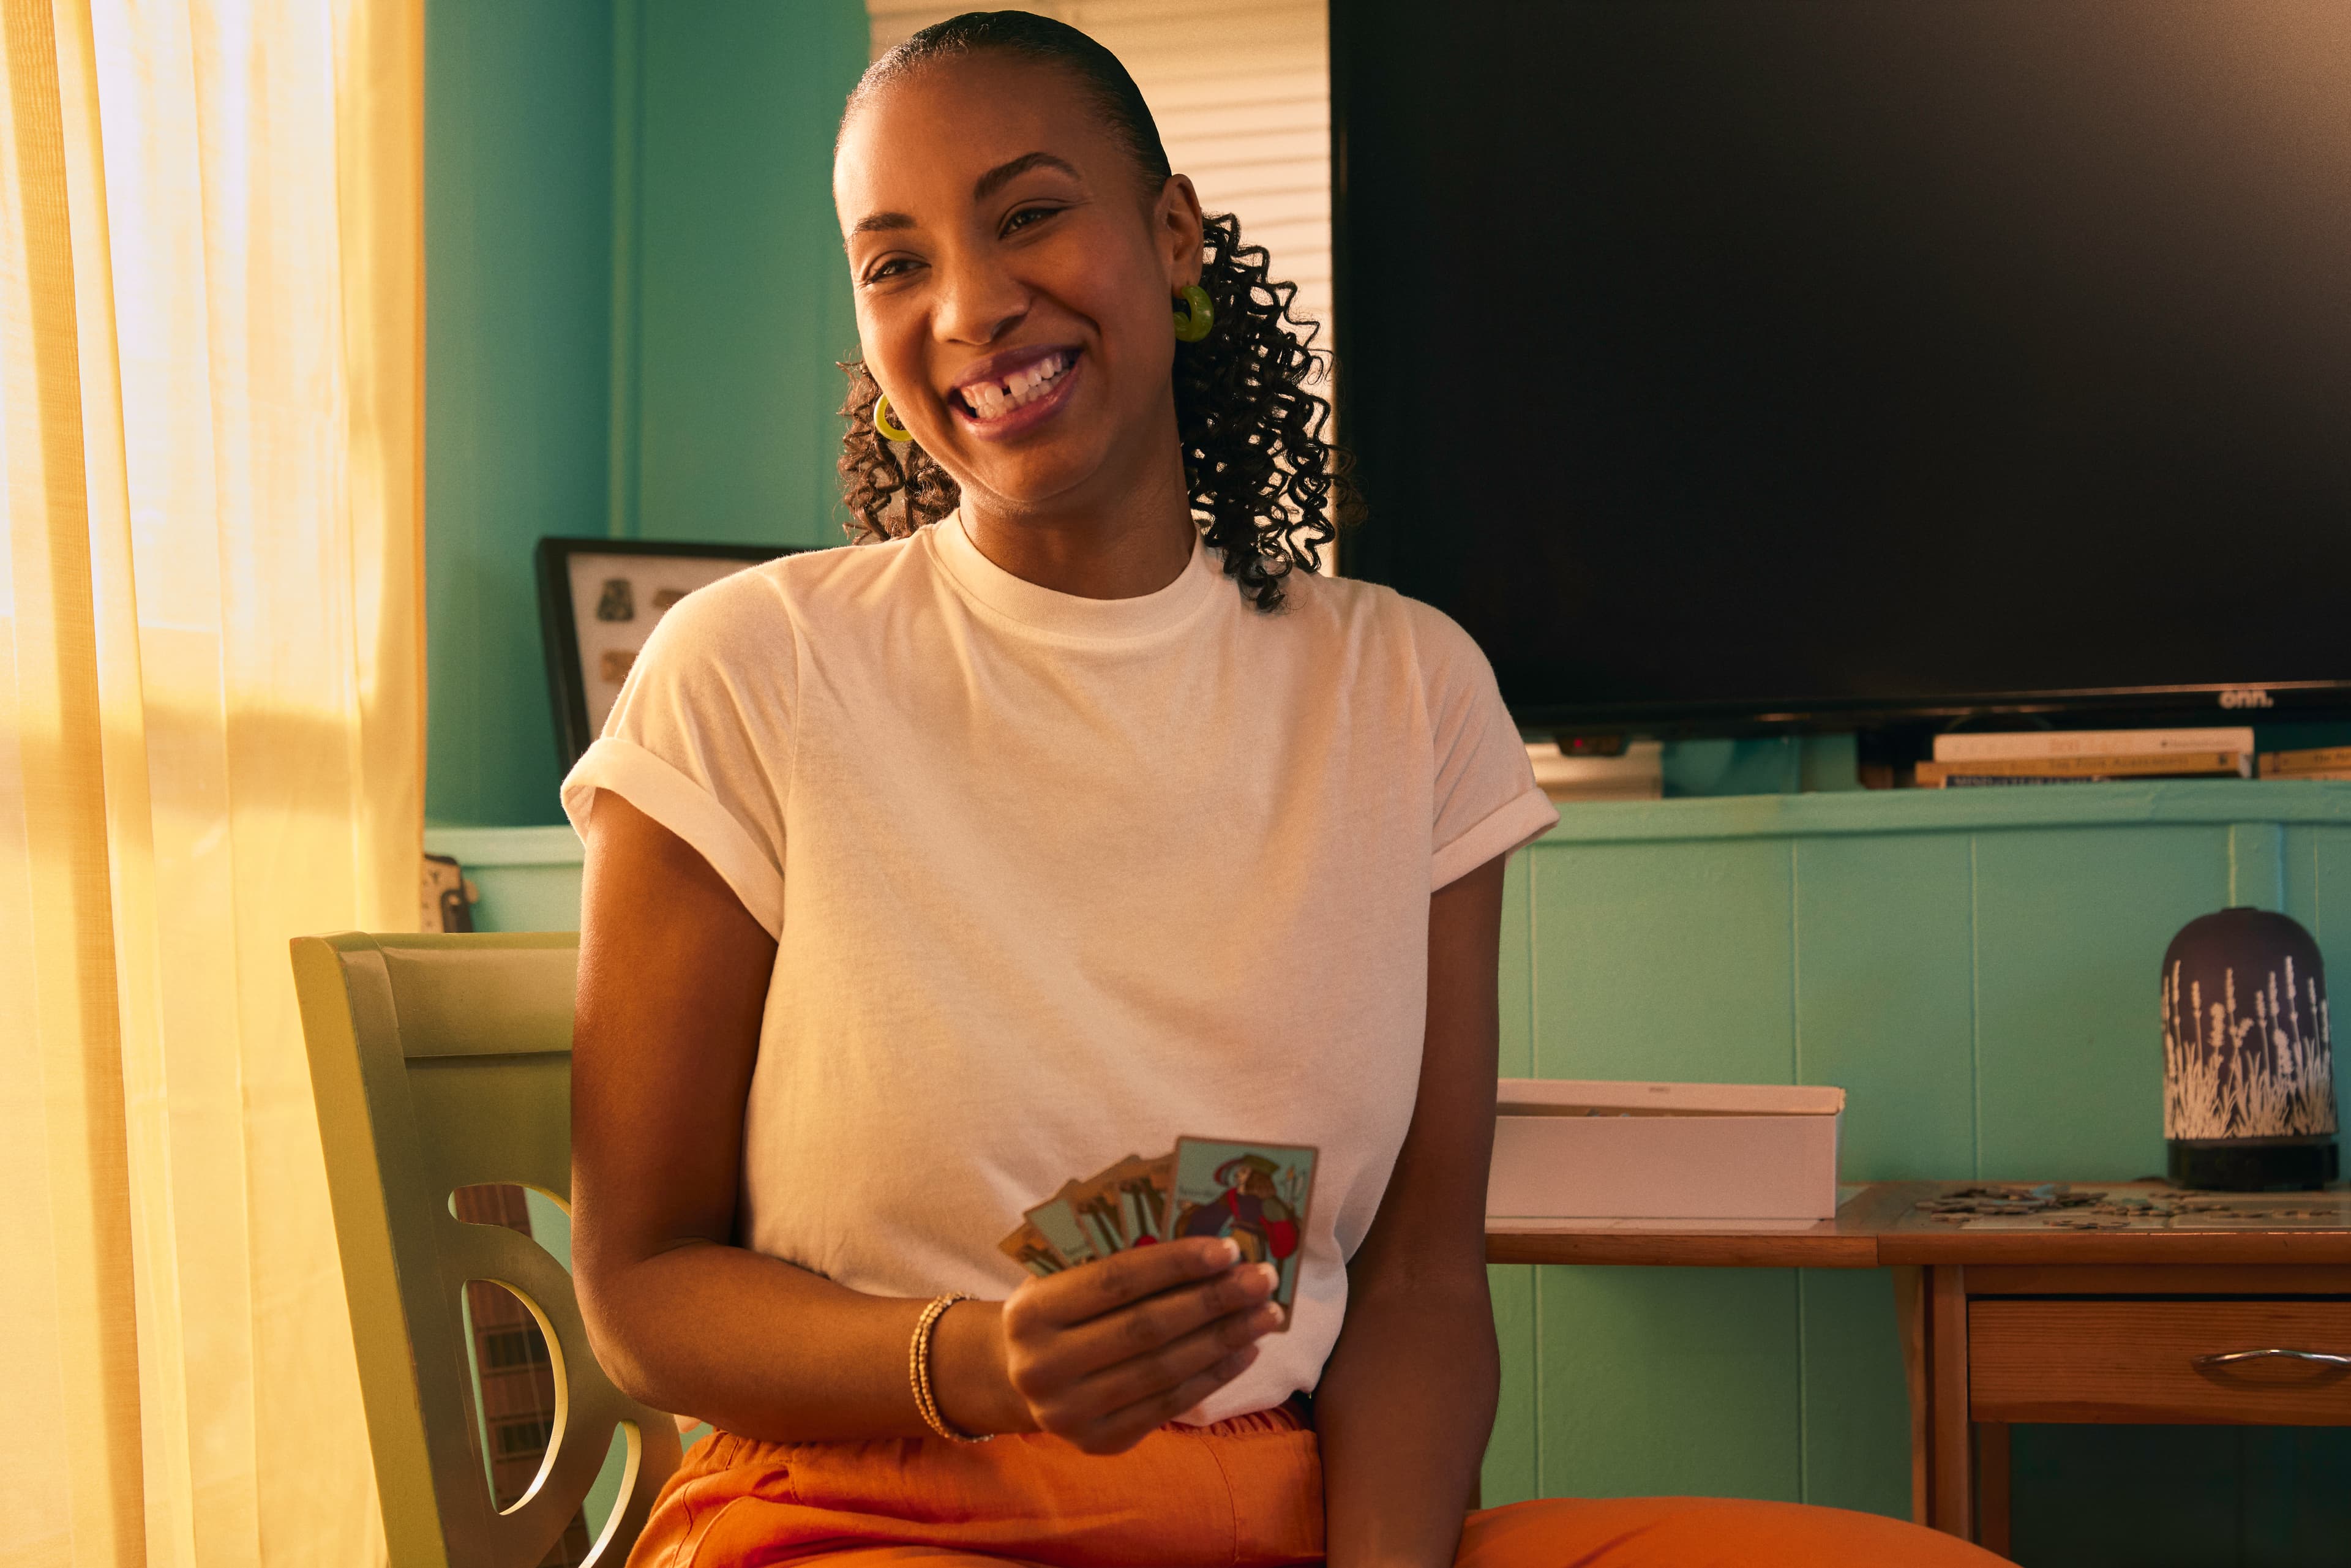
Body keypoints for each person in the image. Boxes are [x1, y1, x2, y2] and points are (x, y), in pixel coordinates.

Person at [563, 12, 2008, 1566]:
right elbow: (639, 1289)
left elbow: (1418, 1285)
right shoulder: (747, 670)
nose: (972, 305)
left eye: (1030, 213)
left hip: (1293, 1521)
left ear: (1172, 234)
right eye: (894, 262)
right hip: (858, 1513)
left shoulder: (1410, 690)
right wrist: (973, 1363)